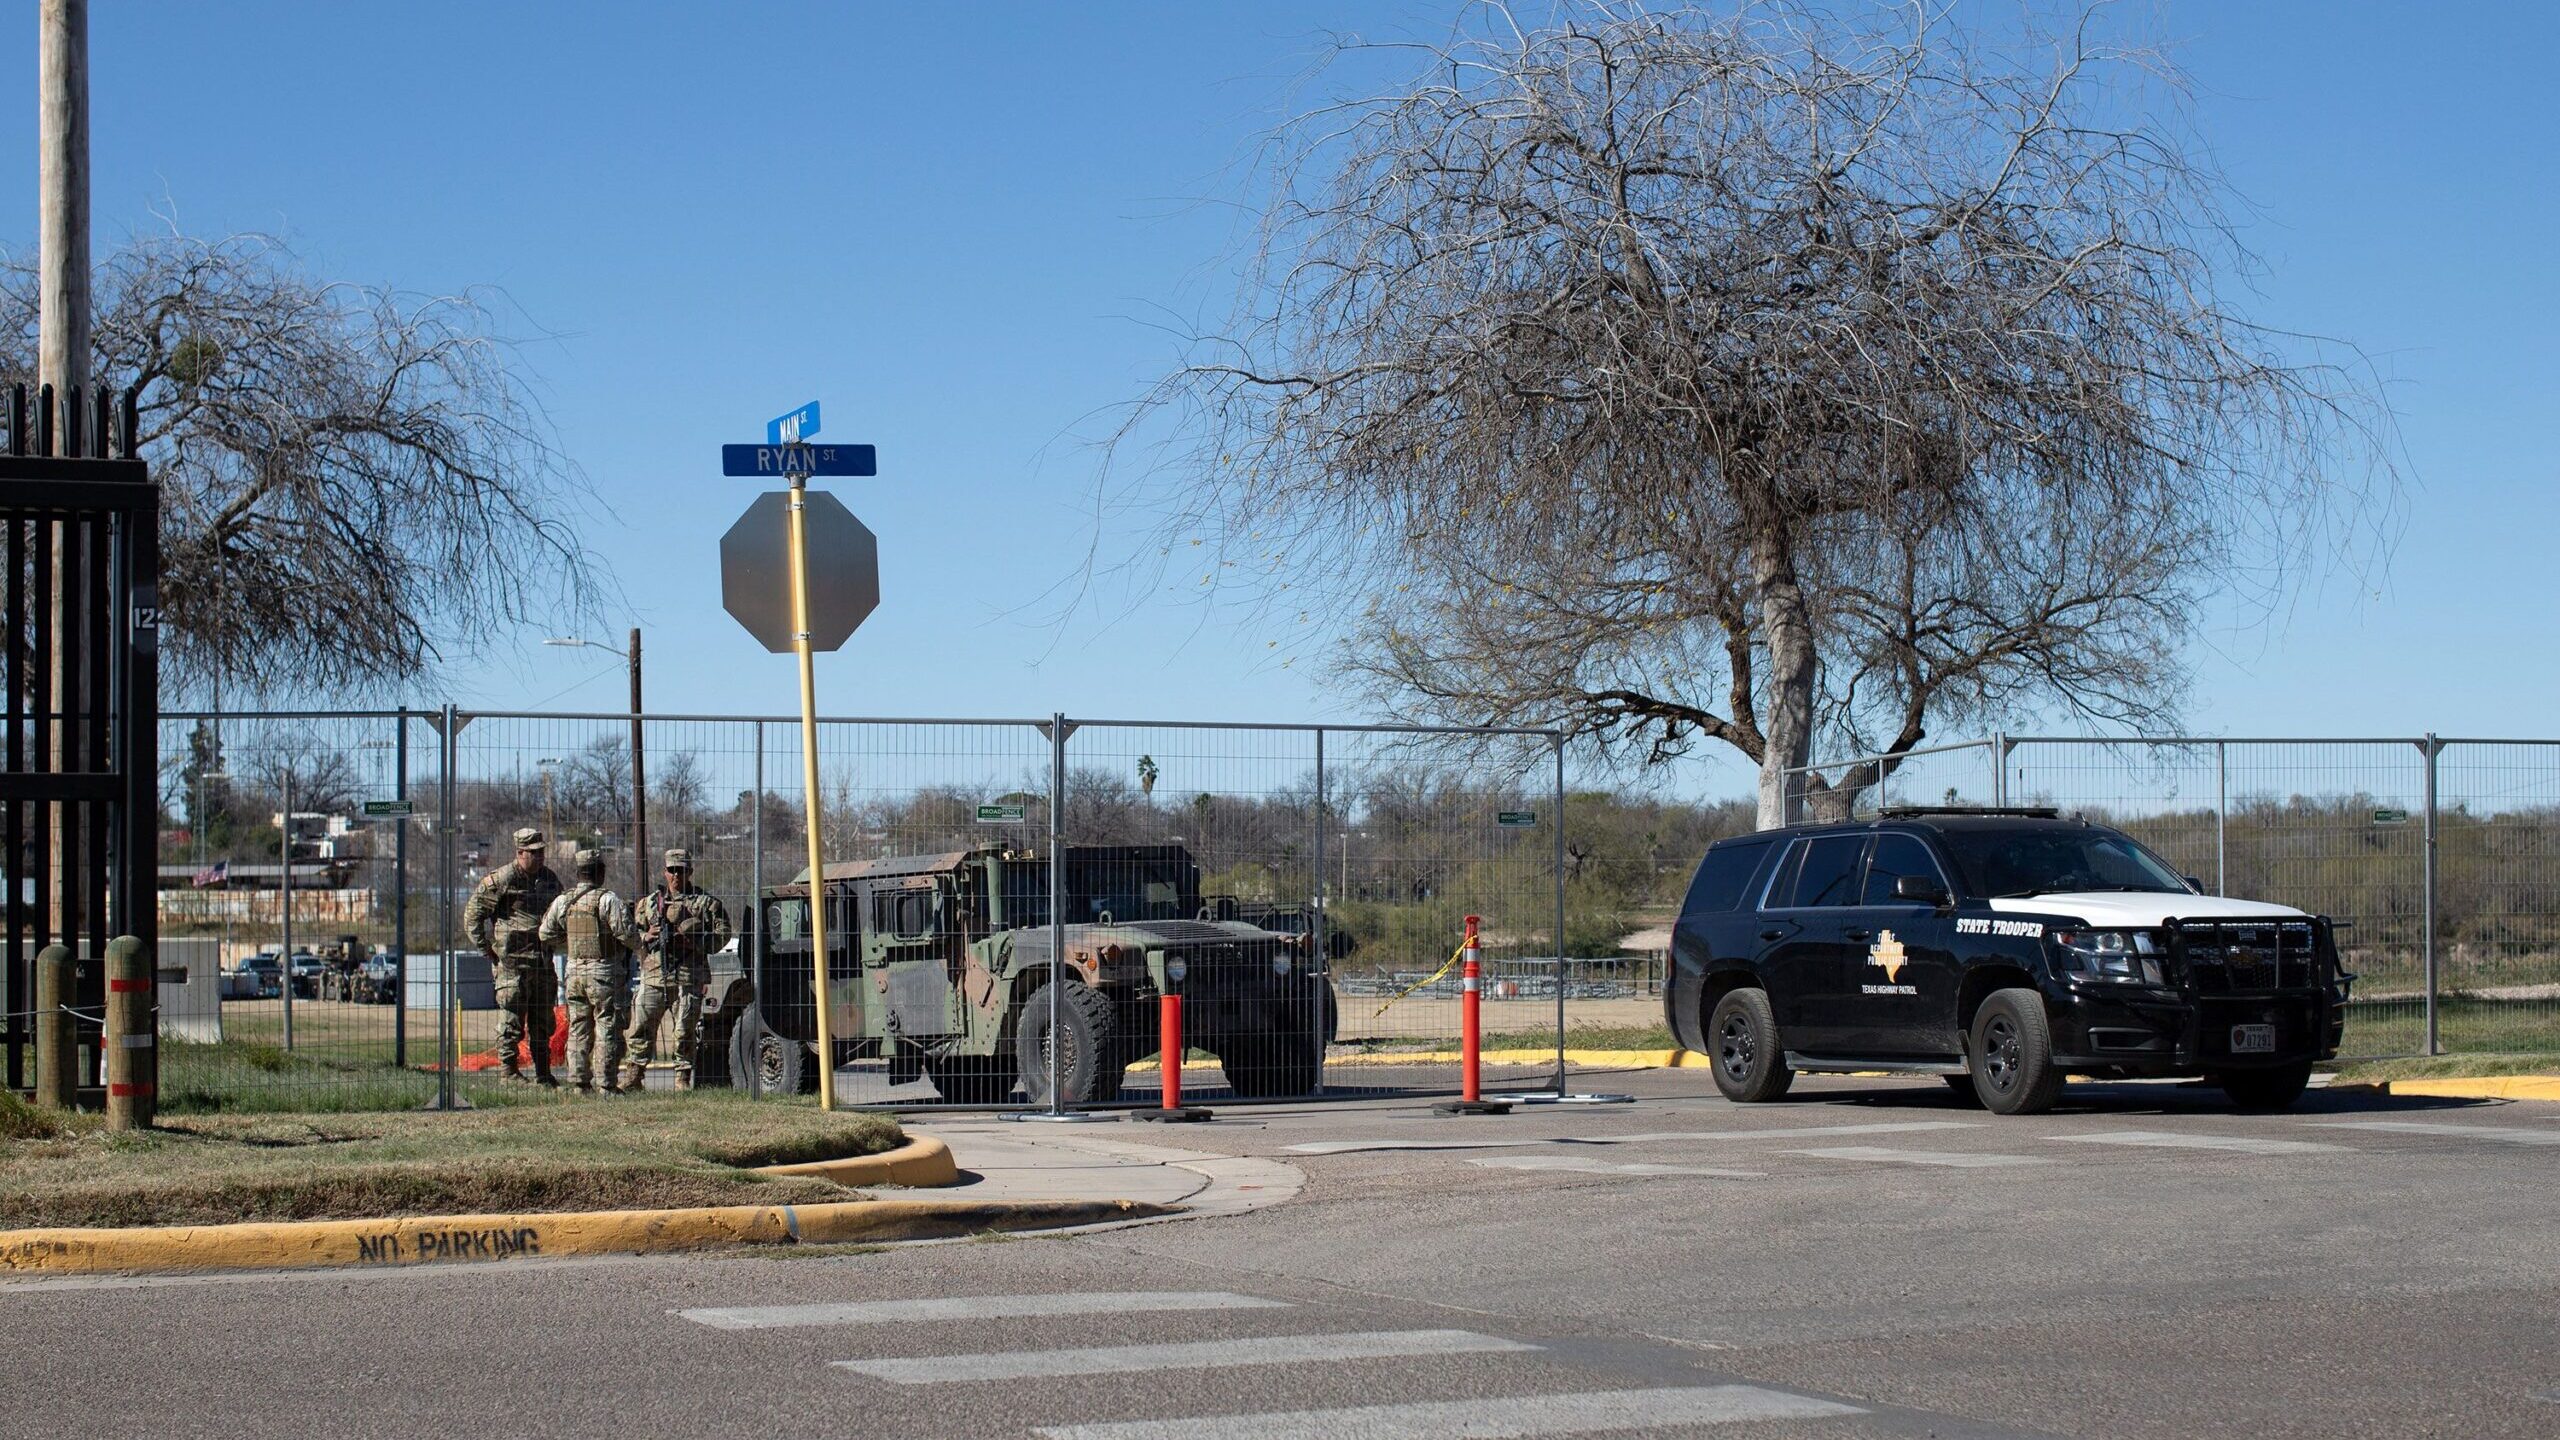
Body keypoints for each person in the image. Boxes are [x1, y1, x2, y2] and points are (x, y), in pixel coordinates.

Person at [623, 848, 734, 1090]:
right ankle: (634, 1076)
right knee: (642, 1026)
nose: (676, 875)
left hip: (689, 975)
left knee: (684, 1029)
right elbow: (629, 933)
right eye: (672, 870)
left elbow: (723, 935)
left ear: (690, 872)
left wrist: (696, 939)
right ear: (665, 872)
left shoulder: (706, 904)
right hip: (654, 975)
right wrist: (646, 935)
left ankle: (682, 1078)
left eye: (681, 870)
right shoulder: (650, 903)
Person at [464, 827, 565, 1085]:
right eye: (533, 853)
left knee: (543, 1022)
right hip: (512, 966)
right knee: (511, 1021)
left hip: (542, 963)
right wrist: (486, 948)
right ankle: (508, 1072)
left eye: (541, 852)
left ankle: (543, 1073)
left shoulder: (550, 880)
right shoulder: (503, 879)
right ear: (519, 852)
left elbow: (562, 913)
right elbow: (473, 914)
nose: (539, 856)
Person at [539, 848, 643, 1095]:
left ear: (578, 873)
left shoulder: (564, 901)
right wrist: (640, 947)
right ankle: (606, 1084)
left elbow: (544, 933)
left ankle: (578, 1083)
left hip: (574, 971)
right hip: (603, 971)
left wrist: (568, 940)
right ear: (600, 872)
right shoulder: (607, 900)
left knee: (578, 1026)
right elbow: (626, 933)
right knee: (607, 1024)